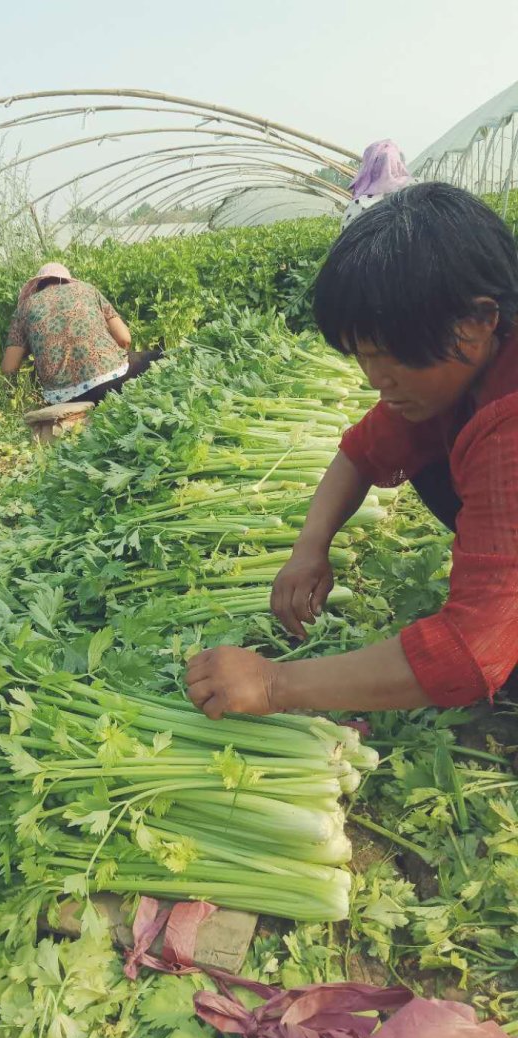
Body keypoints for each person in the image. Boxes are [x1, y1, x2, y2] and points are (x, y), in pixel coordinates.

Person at [186, 183, 518, 719]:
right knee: (424, 446)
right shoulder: (465, 370)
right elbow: (364, 451)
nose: (375, 380)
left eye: (387, 355)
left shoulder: (511, 427)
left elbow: (471, 652)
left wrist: (274, 684)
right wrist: (309, 547)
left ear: (478, 322)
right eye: (362, 356)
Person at [1, 262, 163, 404]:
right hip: (113, 380)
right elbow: (125, 339)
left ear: (39, 286)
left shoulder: (24, 308)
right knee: (159, 357)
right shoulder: (87, 290)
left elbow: (9, 368)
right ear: (67, 281)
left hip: (62, 398)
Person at [341, 139, 415, 232]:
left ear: (368, 167)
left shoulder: (358, 205)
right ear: (398, 165)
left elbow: (345, 242)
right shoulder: (412, 202)